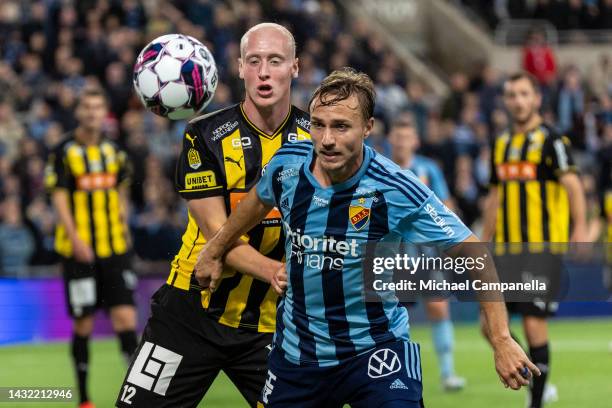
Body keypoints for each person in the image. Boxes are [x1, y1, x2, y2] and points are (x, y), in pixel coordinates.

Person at [198, 68, 540, 407]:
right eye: (319, 125)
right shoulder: (288, 166)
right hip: (298, 358)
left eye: (341, 126)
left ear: (368, 128)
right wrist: (215, 249)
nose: (327, 140)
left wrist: (501, 338)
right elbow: (258, 200)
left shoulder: (394, 187)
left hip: (376, 352)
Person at [116, 23, 310, 408]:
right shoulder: (204, 135)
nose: (264, 71)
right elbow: (216, 235)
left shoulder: (318, 140)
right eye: (254, 61)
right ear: (239, 68)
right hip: (191, 309)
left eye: (275, 60)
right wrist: (273, 271)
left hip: (270, 324)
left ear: (295, 67)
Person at [482, 72, 588, 408]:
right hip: (507, 249)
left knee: (532, 324)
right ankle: (537, 381)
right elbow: (496, 195)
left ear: (537, 98)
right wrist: (483, 238)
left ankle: (537, 401)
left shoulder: (552, 140)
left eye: (524, 94)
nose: (517, 101)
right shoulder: (501, 143)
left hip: (542, 249)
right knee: (490, 326)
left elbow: (572, 185)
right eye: (511, 94)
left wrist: (581, 227)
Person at [46, 88, 138, 408]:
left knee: (126, 319)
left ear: (104, 113)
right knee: (83, 322)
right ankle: (84, 398)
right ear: (79, 112)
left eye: (98, 107)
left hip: (115, 249)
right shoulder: (63, 151)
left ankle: (137, 396)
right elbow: (59, 198)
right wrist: (75, 239)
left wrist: (124, 229)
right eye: (87, 107)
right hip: (79, 253)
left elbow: (122, 191)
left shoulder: (116, 151)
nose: (92, 113)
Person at [387, 119, 466, 391]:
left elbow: (447, 205)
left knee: (438, 307)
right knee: (393, 315)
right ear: (390, 140)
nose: (401, 142)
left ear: (415, 141)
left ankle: (448, 373)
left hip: (426, 256)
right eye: (397, 137)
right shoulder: (380, 168)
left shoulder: (428, 169)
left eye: (406, 137)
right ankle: (395, 375)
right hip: (393, 258)